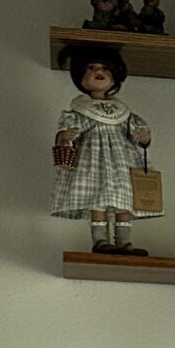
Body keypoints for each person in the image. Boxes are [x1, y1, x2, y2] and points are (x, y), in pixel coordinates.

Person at [52, 47, 155, 254]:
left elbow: (134, 133)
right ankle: (100, 240)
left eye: (105, 68)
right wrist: (65, 136)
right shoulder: (80, 111)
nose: (99, 72)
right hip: (93, 164)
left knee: (124, 201)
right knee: (97, 199)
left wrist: (143, 139)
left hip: (122, 165)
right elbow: (69, 133)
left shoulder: (122, 112)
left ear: (115, 76)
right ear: (80, 76)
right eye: (91, 68)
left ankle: (124, 241)